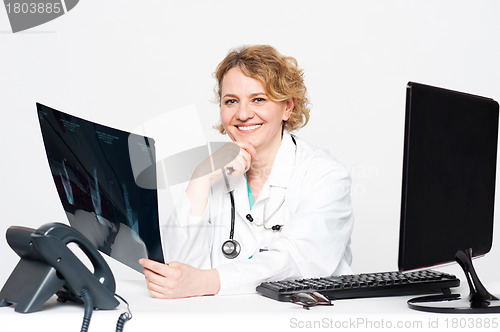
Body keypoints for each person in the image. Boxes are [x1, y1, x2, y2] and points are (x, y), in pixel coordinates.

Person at [139, 45, 353, 299]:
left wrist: (209, 281)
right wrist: (199, 177)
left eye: (258, 99)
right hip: (225, 319)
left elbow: (299, 262)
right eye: (231, 101)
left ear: (287, 107)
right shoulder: (214, 171)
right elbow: (177, 272)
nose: (242, 114)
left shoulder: (325, 175)